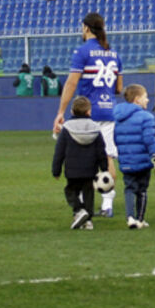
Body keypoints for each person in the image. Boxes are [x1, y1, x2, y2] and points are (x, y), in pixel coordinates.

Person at [53, 13, 123, 218]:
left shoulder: (82, 52)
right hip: (110, 110)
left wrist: (60, 112)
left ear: (85, 28)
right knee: (107, 156)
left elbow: (71, 83)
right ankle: (107, 203)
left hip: (88, 112)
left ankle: (82, 202)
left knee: (83, 155)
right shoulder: (114, 53)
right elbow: (119, 87)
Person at [52, 96, 108, 230]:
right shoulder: (95, 128)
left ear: (72, 111)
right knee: (88, 193)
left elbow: (59, 151)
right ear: (89, 112)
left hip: (72, 169)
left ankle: (79, 210)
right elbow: (101, 150)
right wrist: (104, 168)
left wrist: (56, 170)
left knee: (70, 191)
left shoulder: (67, 128)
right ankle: (88, 221)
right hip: (90, 169)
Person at [113, 84, 155, 229]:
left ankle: (130, 217)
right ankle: (140, 219)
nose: (148, 100)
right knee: (142, 190)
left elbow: (116, 138)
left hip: (126, 160)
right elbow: (149, 139)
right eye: (145, 97)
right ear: (137, 99)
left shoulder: (118, 117)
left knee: (129, 188)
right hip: (142, 160)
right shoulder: (146, 117)